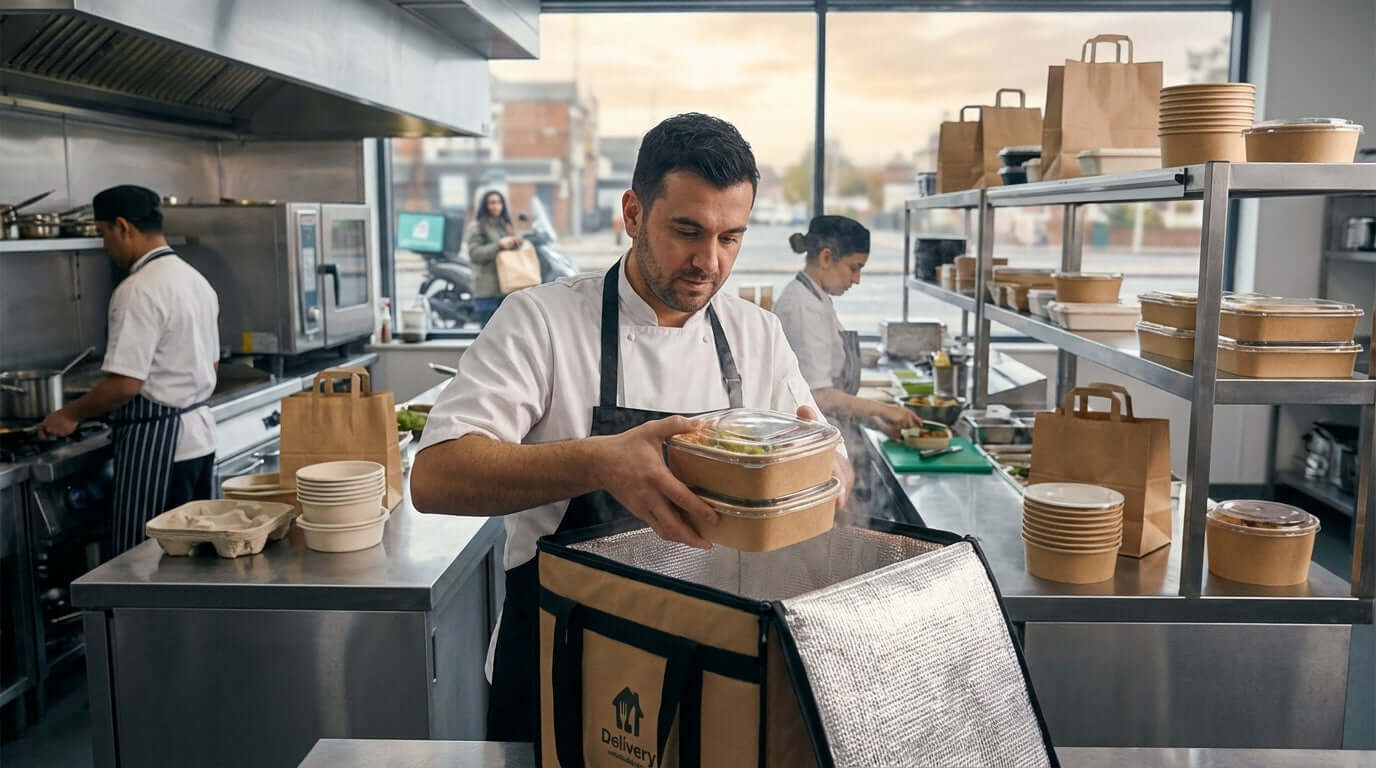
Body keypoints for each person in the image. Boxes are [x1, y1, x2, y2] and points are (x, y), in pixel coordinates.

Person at [410, 113, 850, 743]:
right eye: (687, 231)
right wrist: (599, 461)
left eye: (731, 238)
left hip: (715, 665)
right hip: (561, 661)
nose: (709, 262)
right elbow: (437, 477)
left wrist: (824, 472)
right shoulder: (542, 322)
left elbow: (826, 459)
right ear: (634, 213)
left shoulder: (757, 335)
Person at [38, 185, 220, 555]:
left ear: (122, 226)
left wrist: (69, 414)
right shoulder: (195, 280)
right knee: (196, 560)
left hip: (160, 447)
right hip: (199, 441)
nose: (105, 246)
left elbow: (124, 385)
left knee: (147, 562)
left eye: (103, 234)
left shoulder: (137, 290)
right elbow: (212, 364)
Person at [773, 215, 921, 442]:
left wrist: (880, 425)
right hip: (810, 438)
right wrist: (883, 409)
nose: (857, 279)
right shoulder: (801, 307)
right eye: (854, 268)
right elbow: (819, 395)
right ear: (826, 258)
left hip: (829, 430)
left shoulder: (817, 299)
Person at [466, 190, 521, 325]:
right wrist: (498, 245)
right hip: (487, 291)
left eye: (499, 202)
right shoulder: (477, 227)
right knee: (488, 336)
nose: (496, 206)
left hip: (507, 289)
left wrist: (516, 242)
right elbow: (475, 254)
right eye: (492, 202)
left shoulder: (505, 226)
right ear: (485, 205)